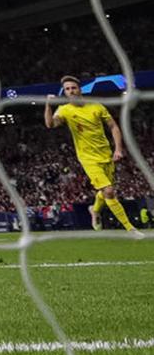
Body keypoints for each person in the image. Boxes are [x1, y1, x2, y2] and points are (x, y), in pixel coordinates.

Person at [45, 76, 142, 237]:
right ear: (65, 92)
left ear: (80, 89)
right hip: (87, 158)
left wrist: (118, 149)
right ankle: (130, 229)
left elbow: (113, 127)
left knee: (105, 191)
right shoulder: (64, 110)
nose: (71, 91)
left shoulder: (96, 106)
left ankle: (94, 210)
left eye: (73, 87)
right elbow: (50, 124)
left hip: (106, 154)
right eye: (67, 89)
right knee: (109, 191)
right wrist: (48, 105)